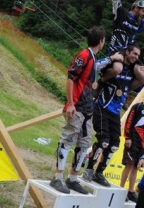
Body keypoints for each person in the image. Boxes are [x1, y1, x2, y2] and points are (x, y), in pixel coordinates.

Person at [49, 26, 122, 194]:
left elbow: (96, 67)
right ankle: (57, 177)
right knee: (68, 139)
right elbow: (70, 78)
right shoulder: (84, 55)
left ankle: (73, 178)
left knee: (84, 143)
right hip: (77, 107)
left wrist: (111, 59)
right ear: (102, 41)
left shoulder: (92, 57)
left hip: (88, 108)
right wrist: (70, 103)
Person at [86, 45, 144, 187]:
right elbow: (95, 67)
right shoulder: (115, 64)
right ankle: (89, 169)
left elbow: (142, 82)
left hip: (115, 112)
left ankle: (99, 172)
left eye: (138, 55)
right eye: (134, 53)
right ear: (126, 52)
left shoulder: (132, 72)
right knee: (104, 141)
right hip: (102, 107)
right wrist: (111, 58)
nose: (135, 57)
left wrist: (142, 69)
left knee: (114, 145)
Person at [120, 85, 144, 202]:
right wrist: (127, 137)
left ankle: (131, 191)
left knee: (135, 167)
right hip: (133, 139)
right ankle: (121, 189)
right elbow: (129, 121)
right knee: (129, 164)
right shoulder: (137, 106)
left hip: (142, 143)